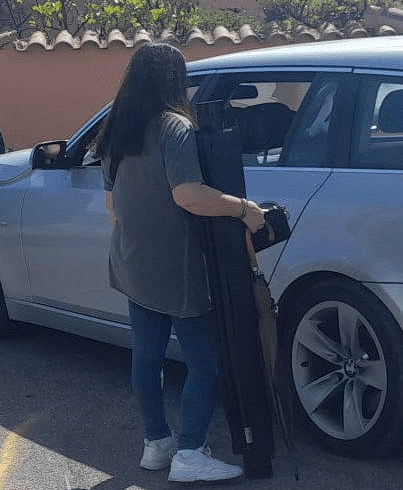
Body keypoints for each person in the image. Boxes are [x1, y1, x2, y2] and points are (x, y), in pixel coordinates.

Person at [93, 42, 265, 484]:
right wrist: (244, 208)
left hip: (132, 260)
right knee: (204, 363)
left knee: (146, 357)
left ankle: (156, 443)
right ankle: (190, 452)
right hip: (176, 265)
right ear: (174, 80)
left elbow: (112, 203)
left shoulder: (117, 128)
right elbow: (187, 194)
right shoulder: (174, 126)